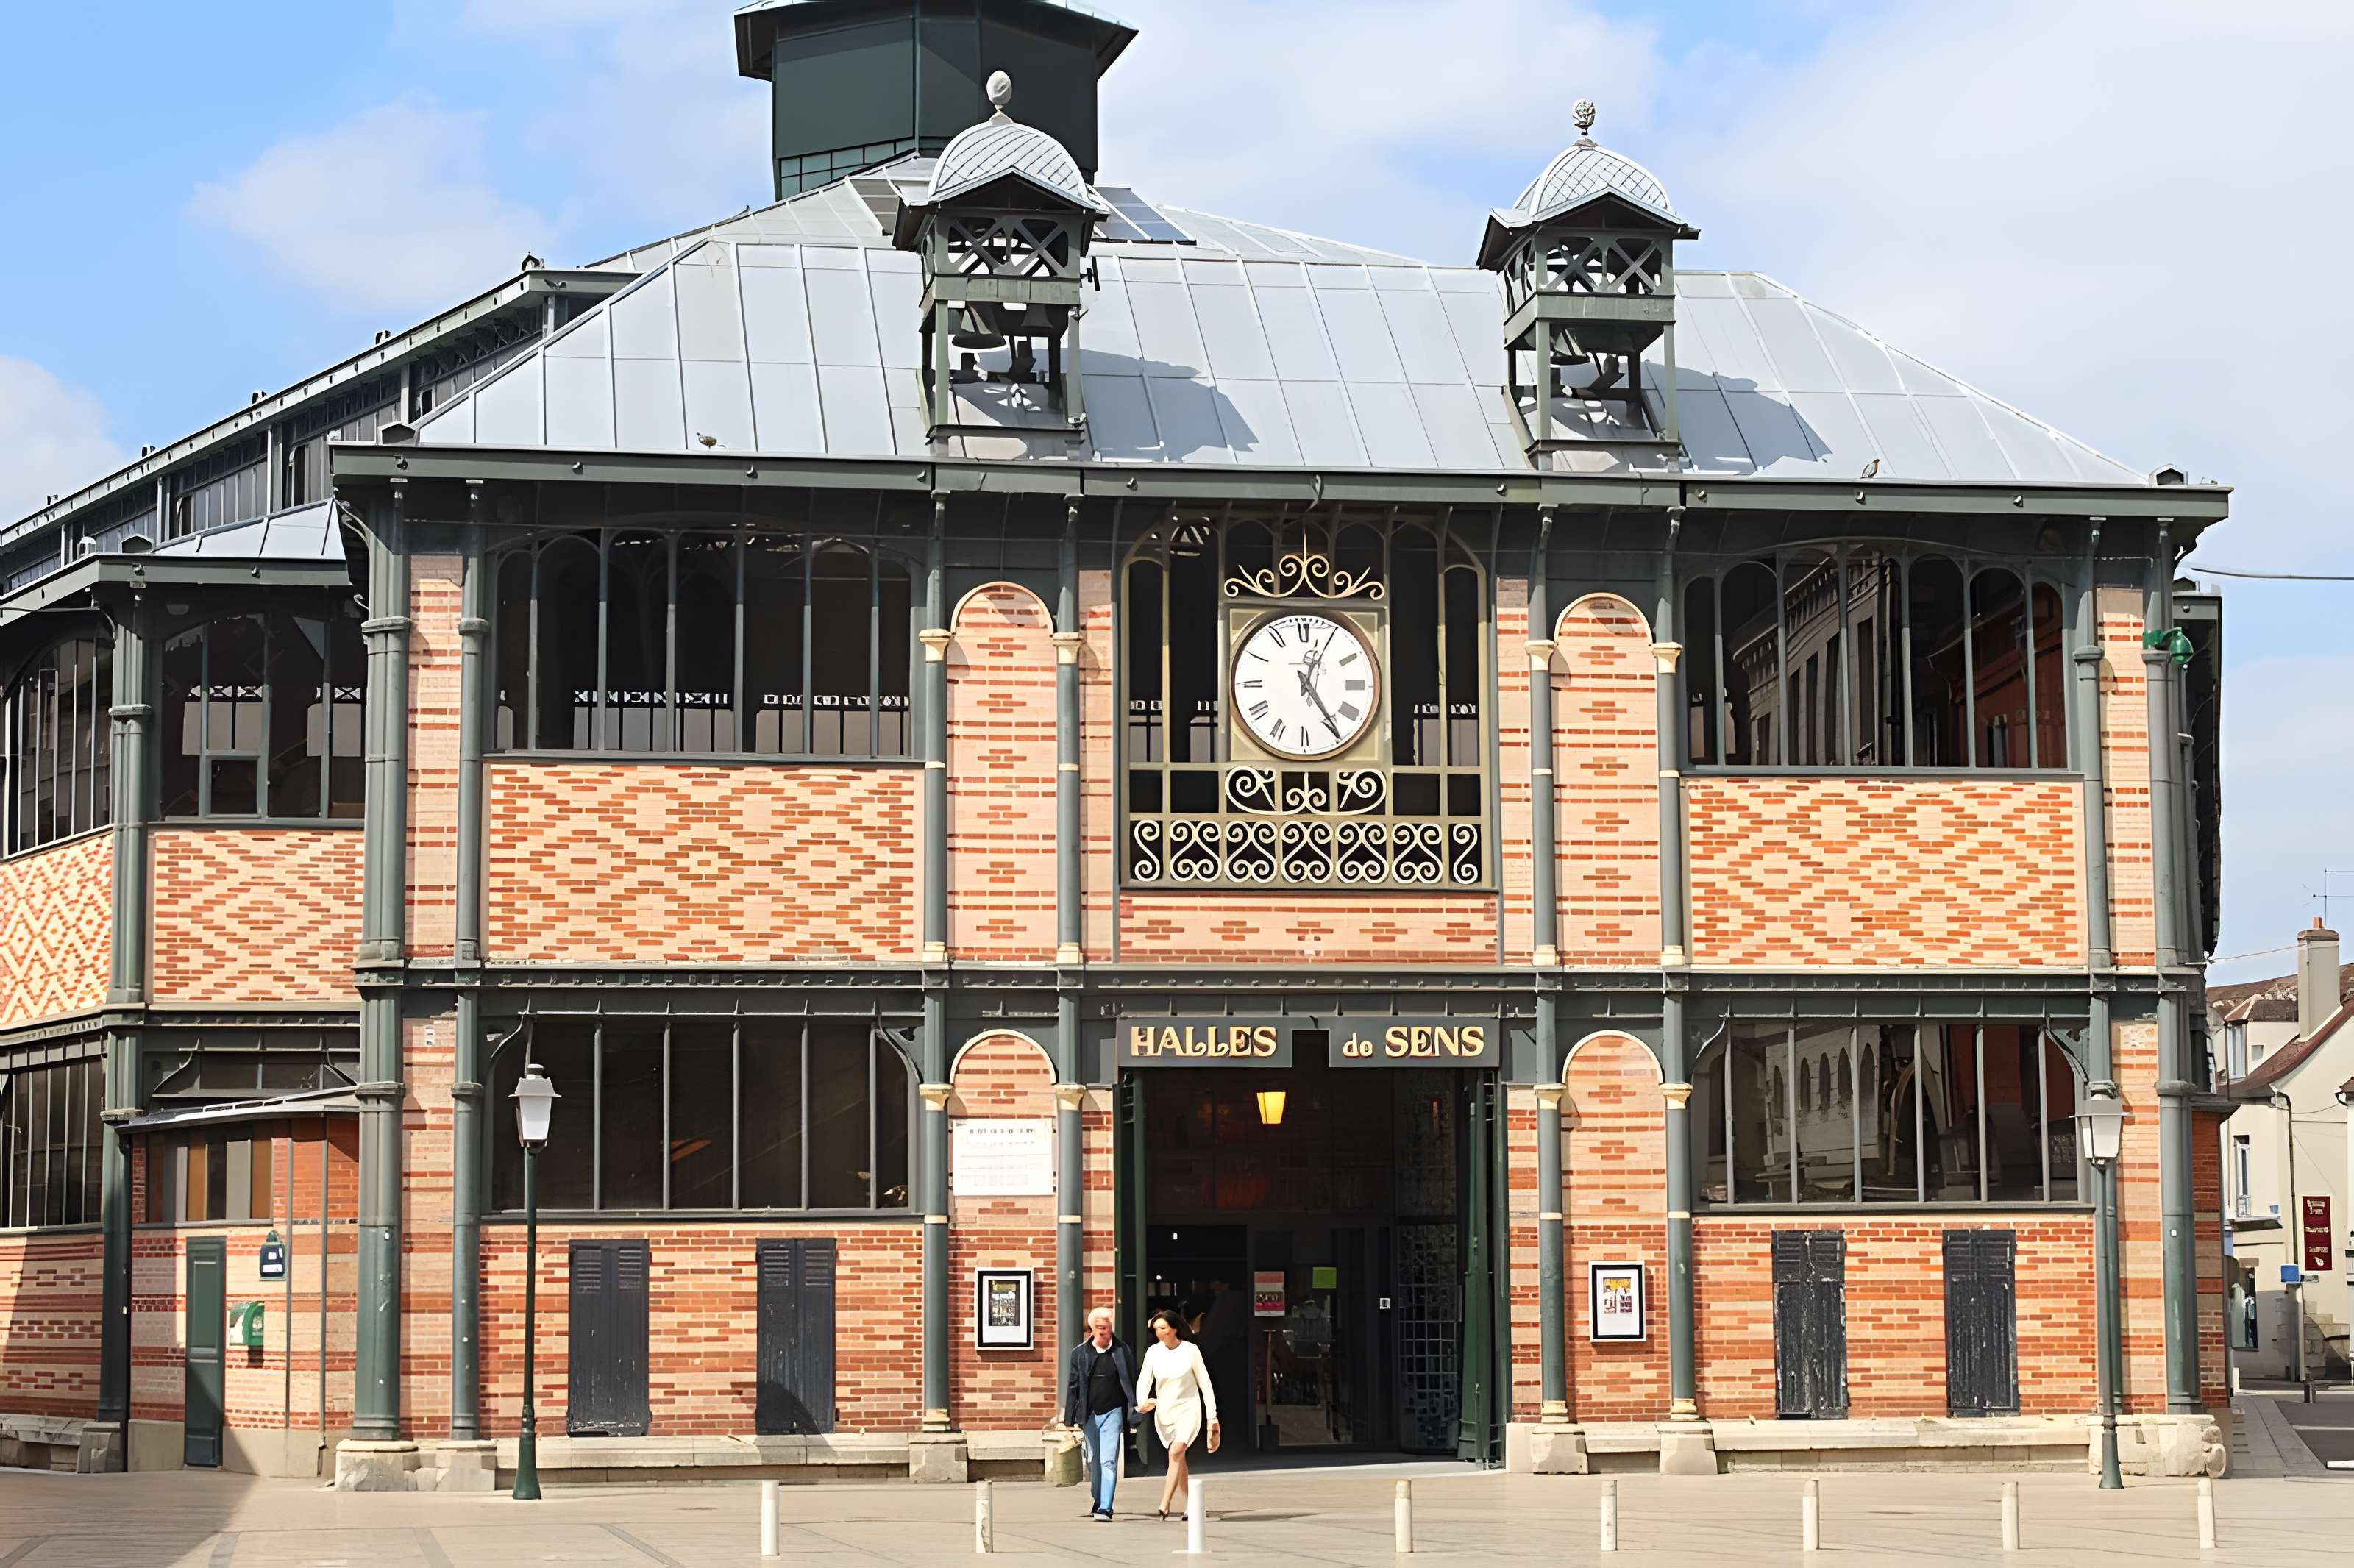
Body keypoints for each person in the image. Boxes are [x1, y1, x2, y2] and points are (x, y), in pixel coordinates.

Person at [1135, 1308, 1220, 1521]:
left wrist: (1212, 1416)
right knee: (1178, 1457)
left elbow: (1205, 1384)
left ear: (1174, 1328)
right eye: (1156, 1329)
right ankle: (1191, 1506)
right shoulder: (1153, 1352)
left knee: (1176, 1451)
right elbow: (1144, 1380)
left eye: (1163, 1328)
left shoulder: (1190, 1350)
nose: (1159, 1333)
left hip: (1189, 1409)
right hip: (1165, 1411)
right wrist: (1142, 1403)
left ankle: (1164, 1504)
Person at [1062, 1307, 1139, 1523]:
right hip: (1089, 1413)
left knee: (1108, 1461)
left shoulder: (1122, 1351)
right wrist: (1069, 1418)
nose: (1104, 1331)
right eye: (1100, 1327)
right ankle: (1098, 1498)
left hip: (1113, 1412)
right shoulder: (1080, 1353)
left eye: (1107, 1327)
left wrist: (1135, 1412)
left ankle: (1106, 1507)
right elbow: (1073, 1386)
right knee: (1093, 1459)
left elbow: (1132, 1383)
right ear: (1092, 1329)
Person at [1197, 1277, 1251, 1444]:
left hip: (1224, 1356)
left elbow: (1215, 1334)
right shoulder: (1233, 1301)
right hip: (1230, 1355)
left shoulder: (1229, 1301)